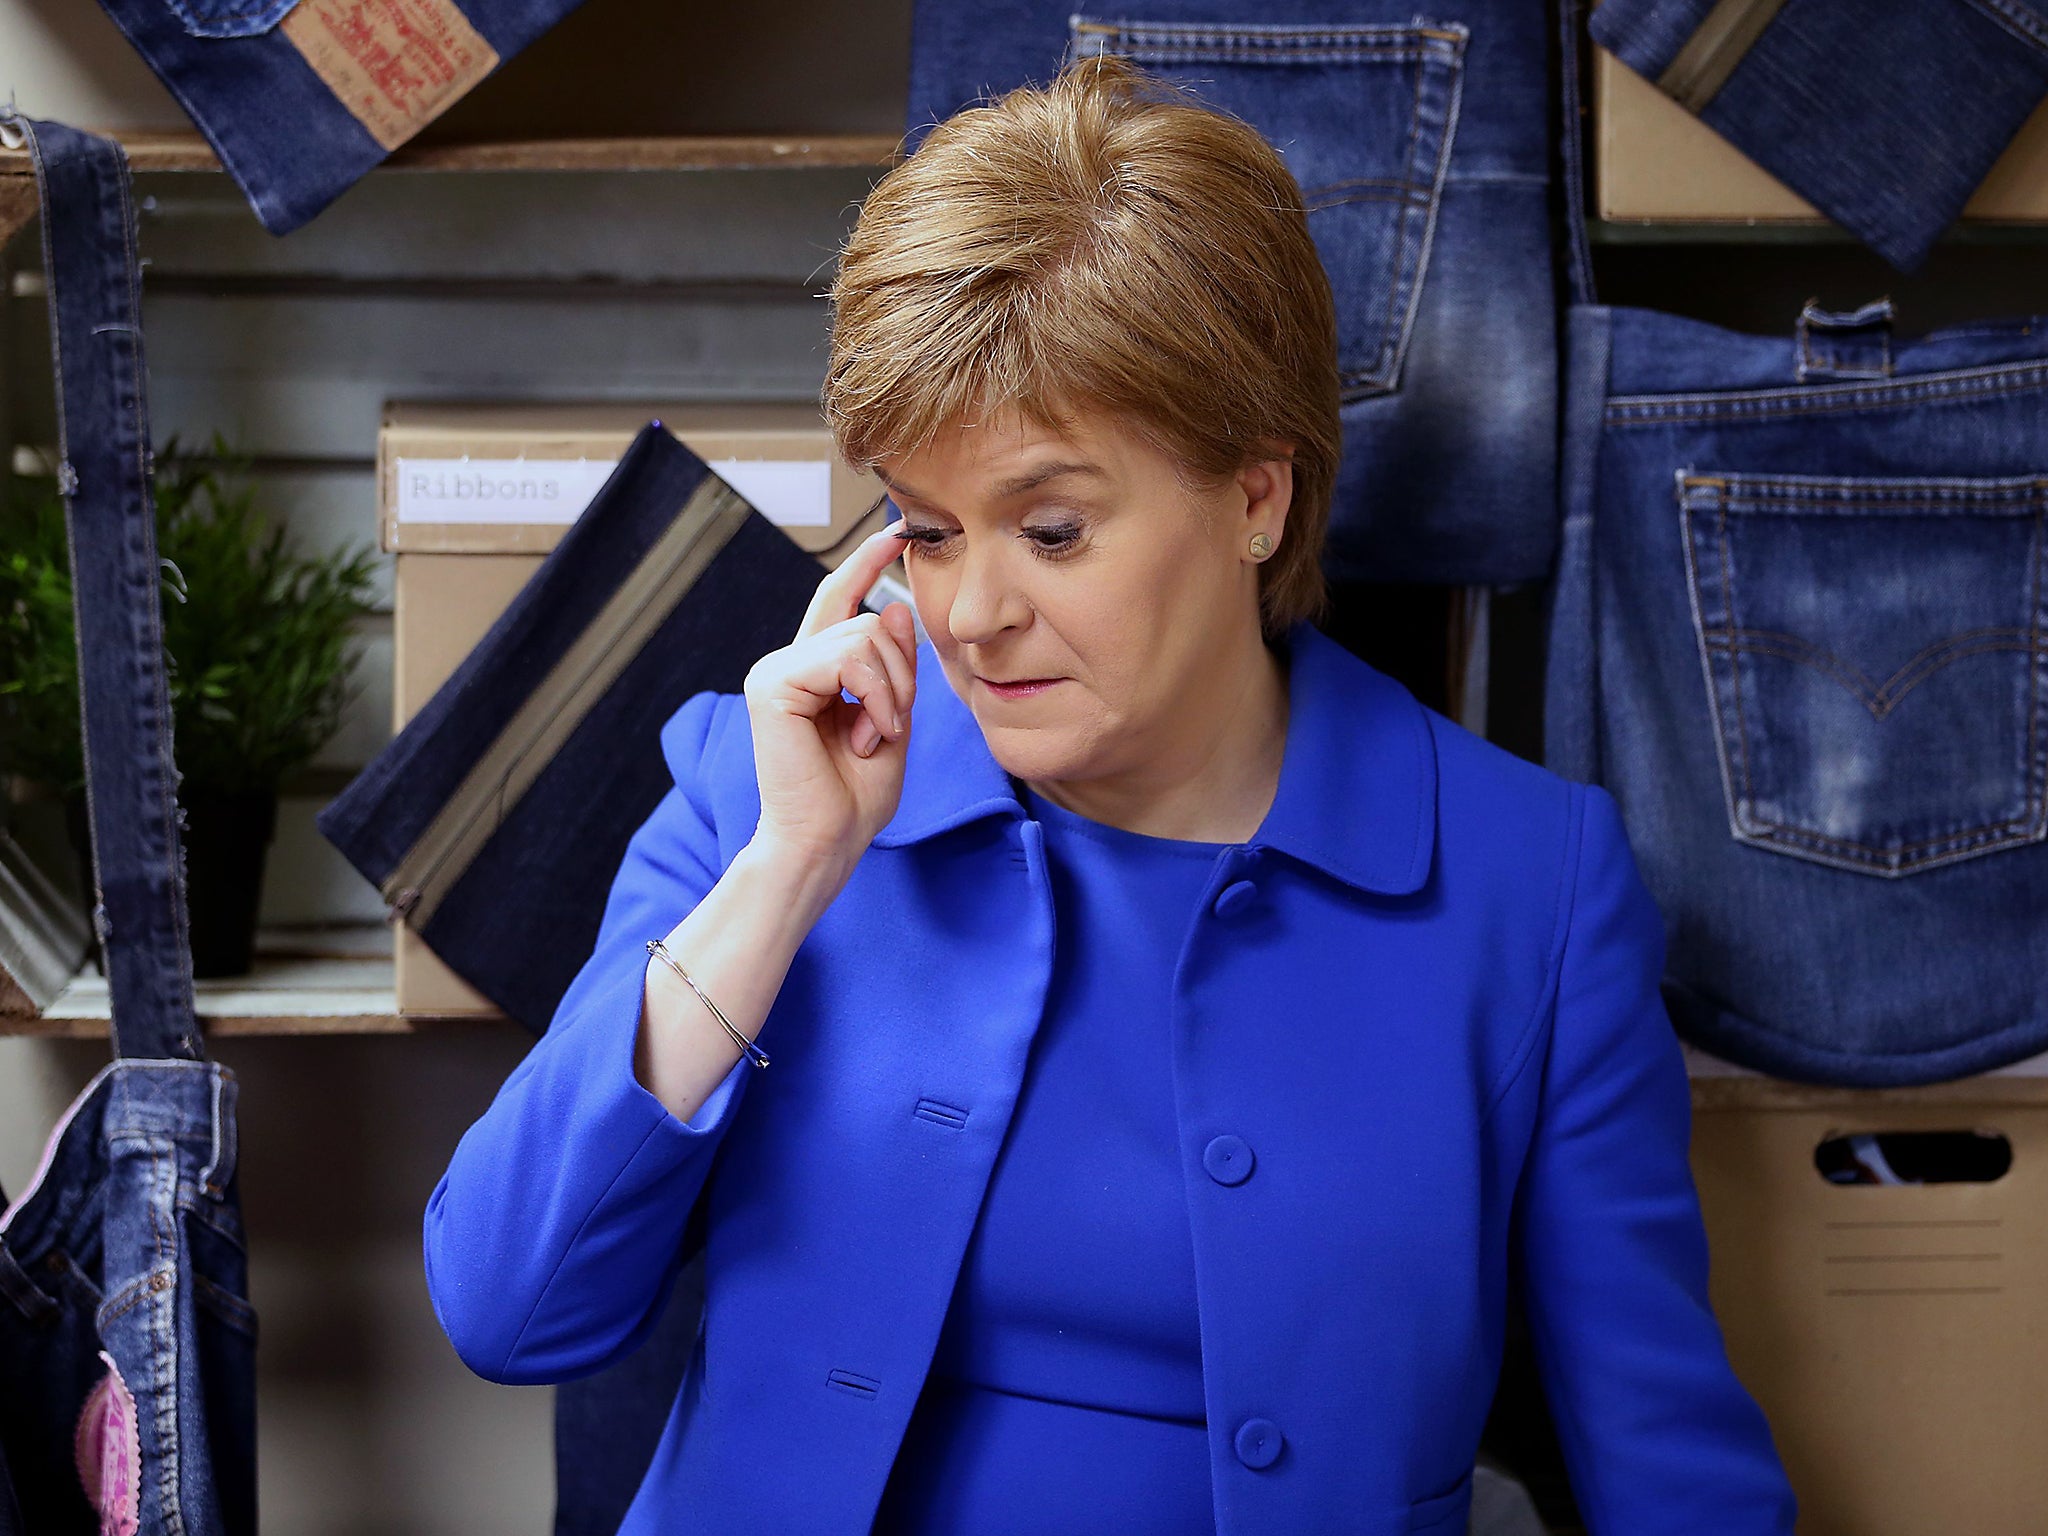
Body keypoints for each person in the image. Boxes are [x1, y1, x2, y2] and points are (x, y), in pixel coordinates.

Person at [422, 55, 1798, 1536]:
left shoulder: (1533, 890)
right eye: (929, 531)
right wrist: (786, 873)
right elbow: (510, 1309)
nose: (971, 613)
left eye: (1055, 529)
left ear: (1257, 498)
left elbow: (1665, 1463)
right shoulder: (756, 789)